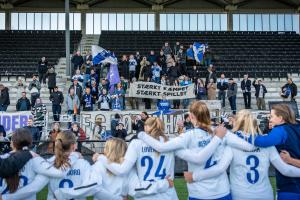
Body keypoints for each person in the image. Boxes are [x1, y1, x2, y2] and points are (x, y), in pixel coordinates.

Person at [137, 101, 256, 199]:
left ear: (192, 116)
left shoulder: (188, 136)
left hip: (198, 192)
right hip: (221, 190)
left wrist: (141, 135)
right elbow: (249, 146)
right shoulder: (222, 132)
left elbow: (160, 147)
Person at [184, 109, 300, 200]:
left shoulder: (232, 144)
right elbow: (286, 170)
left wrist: (195, 176)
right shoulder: (267, 143)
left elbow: (220, 168)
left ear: (237, 122)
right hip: (264, 194)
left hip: (240, 194)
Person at [56, 138, 172, 199]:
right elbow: (137, 190)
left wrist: (64, 193)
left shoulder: (99, 165)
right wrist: (163, 184)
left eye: (106, 147)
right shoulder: (128, 169)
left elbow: (92, 187)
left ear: (110, 150)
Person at [97, 117, 179, 200]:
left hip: (145, 196)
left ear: (145, 127)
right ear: (162, 128)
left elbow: (122, 170)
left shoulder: (136, 144)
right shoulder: (172, 142)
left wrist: (100, 158)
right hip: (168, 195)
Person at [0, 129, 81, 200]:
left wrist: (5, 197)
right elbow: (34, 187)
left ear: (12, 143)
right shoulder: (37, 160)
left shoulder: (3, 158)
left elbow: (35, 187)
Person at [251, 104, 300, 199]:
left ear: (281, 118)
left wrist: (244, 136)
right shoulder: (296, 127)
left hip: (290, 186)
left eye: (272, 116)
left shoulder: (281, 130)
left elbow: (263, 142)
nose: (270, 119)